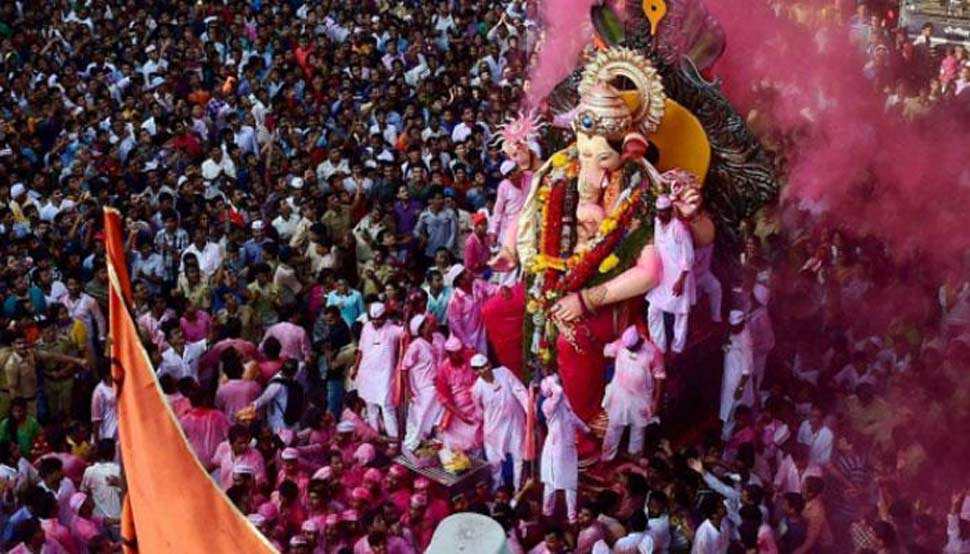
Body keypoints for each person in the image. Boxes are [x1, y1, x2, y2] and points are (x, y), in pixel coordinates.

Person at [601, 325, 666, 462]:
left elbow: (660, 376)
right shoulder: (621, 344)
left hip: (641, 399)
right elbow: (605, 351)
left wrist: (656, 400)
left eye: (632, 348)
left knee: (638, 431)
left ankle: (634, 462)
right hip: (619, 395)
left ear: (640, 343)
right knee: (613, 428)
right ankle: (607, 458)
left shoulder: (652, 352)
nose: (629, 350)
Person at [470, 355, 529, 491]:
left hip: (514, 423)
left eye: (485, 366)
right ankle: (497, 490)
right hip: (494, 429)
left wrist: (528, 410)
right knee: (494, 463)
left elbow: (519, 390)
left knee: (519, 458)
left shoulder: (504, 373)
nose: (483, 370)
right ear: (475, 372)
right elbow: (479, 412)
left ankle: (517, 491)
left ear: (490, 364)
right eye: (479, 369)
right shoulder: (476, 389)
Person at [646, 195, 695, 354]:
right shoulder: (657, 223)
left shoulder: (679, 228)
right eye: (659, 212)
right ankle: (659, 346)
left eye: (664, 212)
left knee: (680, 314)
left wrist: (681, 280)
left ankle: (677, 347)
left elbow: (689, 256)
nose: (661, 215)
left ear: (670, 211)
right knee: (653, 309)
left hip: (679, 277)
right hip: (662, 276)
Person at [539, 374, 589, 524]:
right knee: (551, 485)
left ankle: (572, 518)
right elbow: (558, 391)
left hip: (568, 449)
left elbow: (573, 418)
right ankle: (547, 512)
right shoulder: (547, 405)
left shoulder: (563, 403)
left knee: (570, 484)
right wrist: (552, 381)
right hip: (555, 451)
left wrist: (587, 430)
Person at [351, 303, 404, 439]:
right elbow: (361, 350)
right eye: (373, 319)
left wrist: (405, 313)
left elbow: (407, 332)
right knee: (371, 407)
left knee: (387, 407)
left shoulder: (393, 330)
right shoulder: (366, 327)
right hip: (367, 373)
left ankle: (393, 440)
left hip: (385, 375)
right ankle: (376, 438)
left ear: (385, 317)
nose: (375, 322)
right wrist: (355, 368)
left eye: (379, 319)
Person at [401, 314, 443, 452]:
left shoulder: (439, 338)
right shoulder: (416, 346)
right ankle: (411, 448)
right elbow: (404, 368)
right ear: (421, 329)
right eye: (425, 324)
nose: (429, 324)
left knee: (435, 419)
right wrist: (408, 390)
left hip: (438, 387)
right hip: (421, 389)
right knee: (419, 419)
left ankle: (429, 448)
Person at [433, 336, 482, 452]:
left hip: (477, 405)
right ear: (449, 354)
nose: (461, 355)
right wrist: (459, 414)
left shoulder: (471, 356)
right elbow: (442, 397)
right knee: (454, 441)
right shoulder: (443, 369)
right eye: (457, 353)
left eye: (461, 352)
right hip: (457, 409)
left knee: (477, 439)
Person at [445, 264, 497, 355]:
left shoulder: (477, 284)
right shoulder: (455, 301)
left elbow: (492, 289)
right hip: (471, 339)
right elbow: (456, 327)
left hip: (485, 331)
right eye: (465, 273)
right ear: (460, 281)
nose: (469, 272)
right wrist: (468, 345)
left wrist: (501, 289)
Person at [719, 310, 754, 440]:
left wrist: (740, 387)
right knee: (728, 409)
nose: (734, 329)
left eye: (736, 327)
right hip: (729, 376)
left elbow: (747, 368)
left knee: (732, 412)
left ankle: (726, 439)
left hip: (738, 382)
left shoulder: (745, 339)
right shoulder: (733, 330)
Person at [251, 359, 303, 432]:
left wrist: (253, 406)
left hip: (286, 420)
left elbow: (264, 399)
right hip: (286, 420)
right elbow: (264, 398)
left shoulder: (278, 383)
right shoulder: (278, 384)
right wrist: (254, 405)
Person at [80, 439, 122, 524]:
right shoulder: (118, 470)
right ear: (113, 453)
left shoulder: (89, 471)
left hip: (99, 521)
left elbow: (84, 492)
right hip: (118, 520)